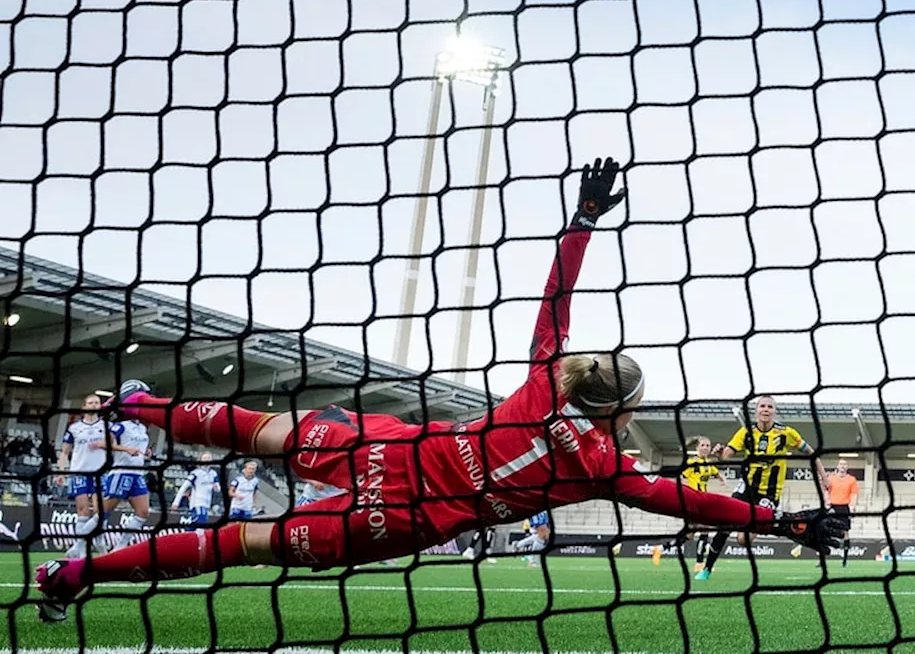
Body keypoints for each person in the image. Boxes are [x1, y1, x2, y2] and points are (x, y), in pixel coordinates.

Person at [34, 158, 846, 623]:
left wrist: (585, 219)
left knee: (259, 430)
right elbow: (685, 501)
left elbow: (552, 303)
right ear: (625, 415)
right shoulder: (606, 468)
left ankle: (136, 405)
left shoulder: (542, 383)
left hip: (396, 448)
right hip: (403, 516)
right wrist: (781, 518)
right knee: (239, 547)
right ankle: (78, 577)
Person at [696, 396, 829, 581]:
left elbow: (811, 453)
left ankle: (752, 529)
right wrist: (720, 454)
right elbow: (726, 456)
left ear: (775, 411)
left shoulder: (787, 433)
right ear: (756, 410)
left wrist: (823, 477)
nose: (766, 410)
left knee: (743, 541)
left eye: (770, 407)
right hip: (746, 487)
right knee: (725, 523)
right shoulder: (745, 432)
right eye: (762, 406)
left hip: (770, 493)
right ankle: (706, 569)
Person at [652, 436, 727, 571]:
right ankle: (699, 563)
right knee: (704, 529)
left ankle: (661, 549)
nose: (705, 448)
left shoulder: (708, 464)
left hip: (702, 500)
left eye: (708, 445)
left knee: (689, 535)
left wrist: (722, 478)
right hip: (693, 500)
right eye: (703, 445)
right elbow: (682, 476)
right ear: (697, 448)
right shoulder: (692, 462)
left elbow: (716, 473)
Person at [56, 395, 113, 558]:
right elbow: (65, 451)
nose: (93, 405)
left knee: (100, 511)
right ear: (84, 406)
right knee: (82, 511)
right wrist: (61, 471)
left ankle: (100, 544)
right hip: (79, 472)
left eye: (96, 402)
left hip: (99, 473)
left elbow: (114, 444)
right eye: (90, 403)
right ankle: (80, 552)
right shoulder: (74, 428)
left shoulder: (106, 426)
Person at [99, 417, 151, 552]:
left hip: (138, 473)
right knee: (104, 512)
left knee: (143, 512)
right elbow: (106, 444)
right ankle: (91, 545)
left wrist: (146, 451)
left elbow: (139, 447)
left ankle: (120, 546)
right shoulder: (121, 426)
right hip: (121, 471)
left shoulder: (143, 427)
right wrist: (126, 449)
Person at [172, 452, 219, 528]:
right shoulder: (196, 473)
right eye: (205, 459)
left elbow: (218, 489)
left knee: (199, 525)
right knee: (200, 524)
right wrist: (176, 502)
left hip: (207, 503)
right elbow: (184, 487)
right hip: (197, 502)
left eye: (209, 458)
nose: (207, 461)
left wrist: (215, 486)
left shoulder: (213, 473)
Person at [827, 458, 860, 567]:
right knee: (825, 531)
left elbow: (854, 494)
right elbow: (826, 491)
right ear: (837, 466)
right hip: (832, 507)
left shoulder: (852, 480)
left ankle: (845, 560)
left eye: (844, 464)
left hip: (844, 508)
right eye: (840, 464)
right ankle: (822, 559)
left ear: (847, 467)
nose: (842, 466)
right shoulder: (831, 478)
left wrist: (853, 507)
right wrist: (826, 502)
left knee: (845, 532)